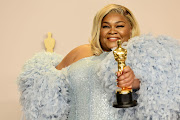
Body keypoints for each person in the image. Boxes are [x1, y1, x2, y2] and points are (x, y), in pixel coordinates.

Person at [18, 4, 180, 120]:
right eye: (106, 26)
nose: (112, 31)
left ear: (130, 29)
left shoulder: (142, 58)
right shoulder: (81, 52)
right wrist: (40, 64)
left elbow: (160, 89)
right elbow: (48, 84)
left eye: (120, 25)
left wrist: (136, 83)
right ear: (99, 30)